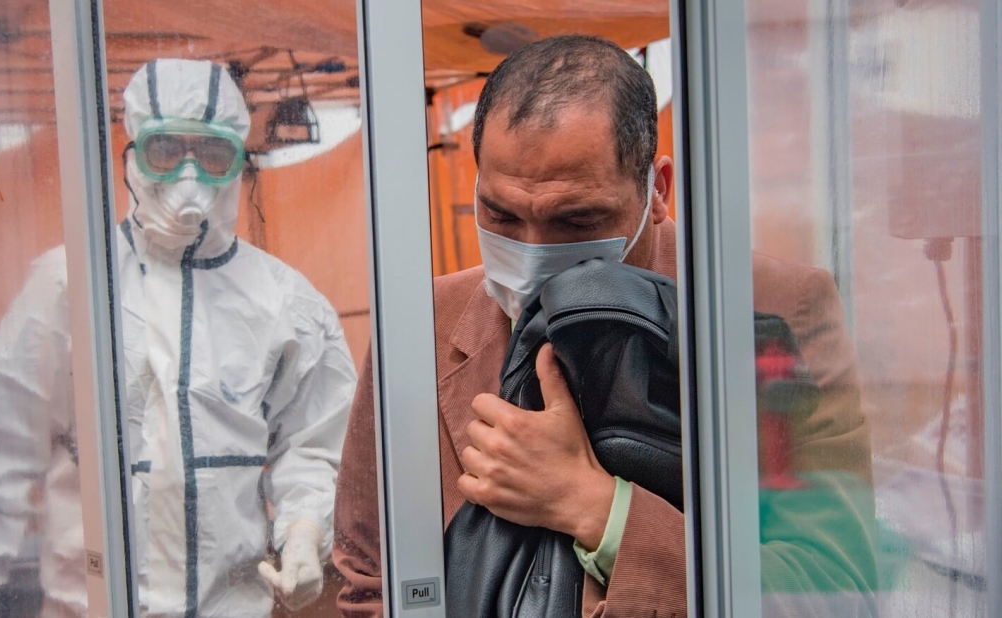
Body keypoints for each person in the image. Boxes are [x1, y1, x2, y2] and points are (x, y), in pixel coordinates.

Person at [334, 35, 878, 617]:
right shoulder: (420, 326)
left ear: (657, 190)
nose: (532, 254)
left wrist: (595, 506)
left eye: (577, 221)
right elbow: (372, 581)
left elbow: (833, 590)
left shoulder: (772, 310)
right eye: (501, 215)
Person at [0, 58, 357, 618]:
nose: (189, 177)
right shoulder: (70, 284)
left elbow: (317, 441)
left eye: (212, 154)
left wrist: (305, 530)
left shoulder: (285, 302)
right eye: (165, 150)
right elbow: (3, 448)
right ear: (132, 157)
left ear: (238, 163)